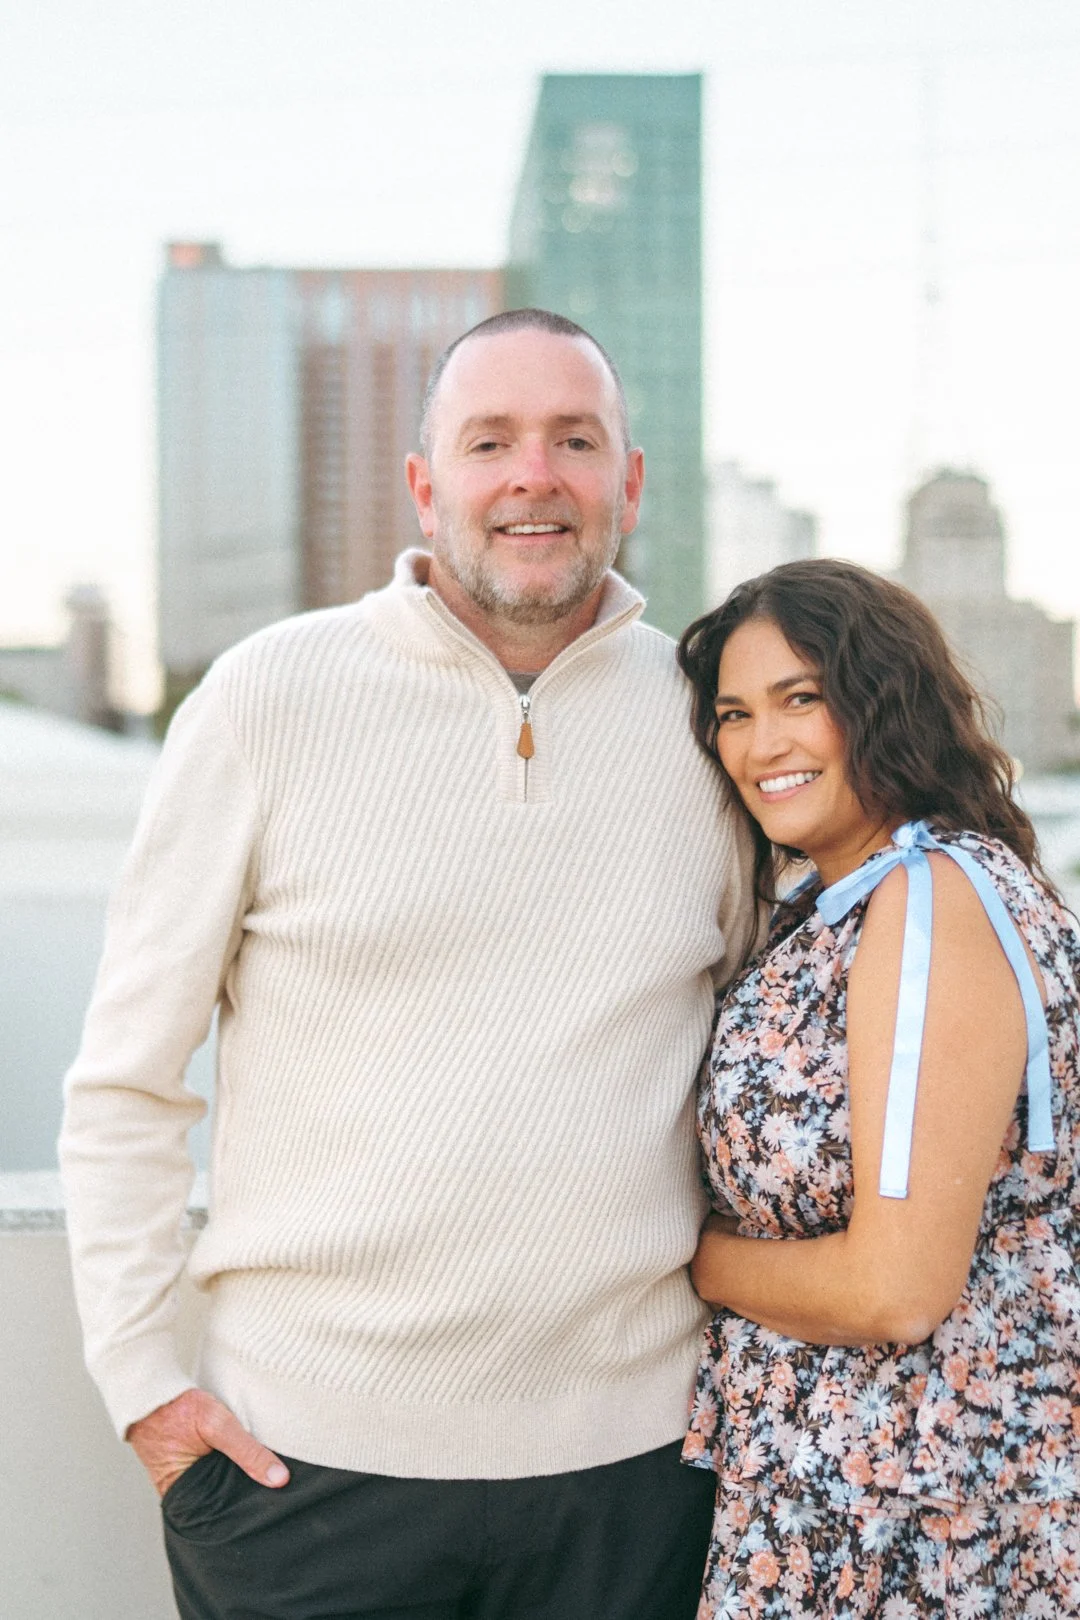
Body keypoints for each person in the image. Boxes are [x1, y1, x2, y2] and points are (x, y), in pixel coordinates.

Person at [59, 308, 759, 1620]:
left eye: (575, 439)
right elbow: (127, 1086)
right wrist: (146, 1386)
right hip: (304, 1481)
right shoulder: (265, 702)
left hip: (637, 1479)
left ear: (631, 479)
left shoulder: (709, 726)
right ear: (428, 485)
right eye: (491, 441)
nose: (533, 475)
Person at [675, 557, 1080, 1618]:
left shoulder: (931, 896)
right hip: (825, 1510)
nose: (762, 746)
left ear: (882, 701)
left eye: (801, 699)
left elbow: (895, 1288)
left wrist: (690, 1255)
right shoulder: (846, 899)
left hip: (907, 1529)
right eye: (733, 714)